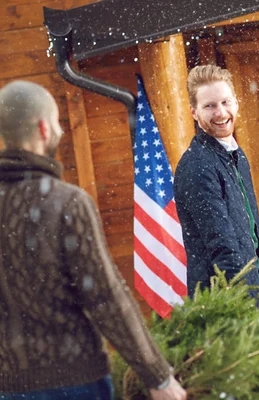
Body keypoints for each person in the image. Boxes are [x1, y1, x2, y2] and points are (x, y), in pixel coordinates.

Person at [0, 81, 186, 399]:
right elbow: (106, 297)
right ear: (45, 129)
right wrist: (157, 376)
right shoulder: (67, 202)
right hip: (75, 382)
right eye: (57, 123)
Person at [174, 65, 259, 310]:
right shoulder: (198, 166)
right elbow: (222, 244)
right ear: (194, 112)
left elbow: (252, 232)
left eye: (225, 102)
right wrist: (250, 308)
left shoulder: (236, 155)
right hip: (224, 301)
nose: (220, 113)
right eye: (209, 106)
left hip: (251, 292)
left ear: (236, 104)